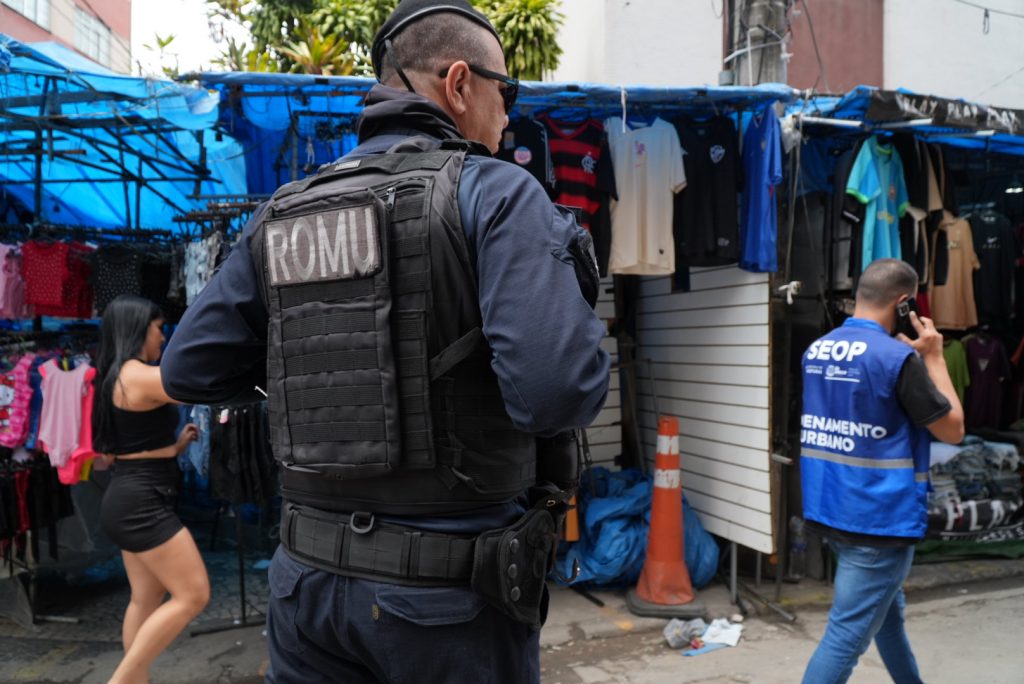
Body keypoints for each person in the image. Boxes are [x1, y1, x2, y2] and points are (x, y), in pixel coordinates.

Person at [159, 1, 610, 682]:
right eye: (507, 91)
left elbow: (189, 370)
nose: (508, 115)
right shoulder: (496, 193)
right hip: (448, 601)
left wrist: (302, 373)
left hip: (306, 591)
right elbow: (554, 395)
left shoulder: (283, 210)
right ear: (459, 83)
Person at [799, 258, 965, 683]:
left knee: (888, 620)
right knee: (844, 638)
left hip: (834, 508)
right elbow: (953, 430)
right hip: (879, 519)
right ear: (904, 303)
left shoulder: (817, 350)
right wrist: (935, 357)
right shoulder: (897, 359)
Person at [92, 295, 207, 684]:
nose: (163, 337)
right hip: (141, 504)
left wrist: (176, 448)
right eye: (159, 329)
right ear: (139, 329)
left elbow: (123, 452)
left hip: (129, 497)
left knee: (146, 599)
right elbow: (196, 386)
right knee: (193, 595)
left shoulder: (114, 376)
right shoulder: (137, 375)